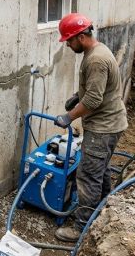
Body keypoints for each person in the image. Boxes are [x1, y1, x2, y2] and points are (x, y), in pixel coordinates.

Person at [52, 13, 128, 242]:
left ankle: (81, 227)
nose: (67, 45)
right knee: (101, 170)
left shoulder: (95, 60)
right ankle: (103, 210)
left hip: (103, 128)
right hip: (111, 124)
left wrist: (68, 117)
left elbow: (94, 100)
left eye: (69, 40)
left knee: (87, 176)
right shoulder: (97, 51)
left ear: (81, 37)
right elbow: (96, 88)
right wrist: (78, 96)